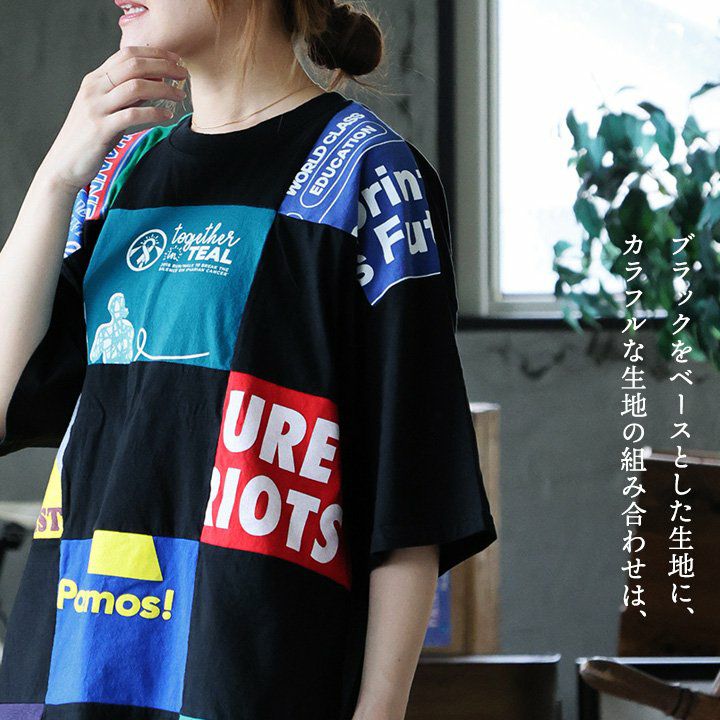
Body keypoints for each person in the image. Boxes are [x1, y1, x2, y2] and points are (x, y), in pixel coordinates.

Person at [0, 1, 498, 719]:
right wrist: (54, 181)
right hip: (75, 664)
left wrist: (381, 708)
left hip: (250, 674)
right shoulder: (116, 173)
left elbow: (414, 483)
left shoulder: (366, 174)